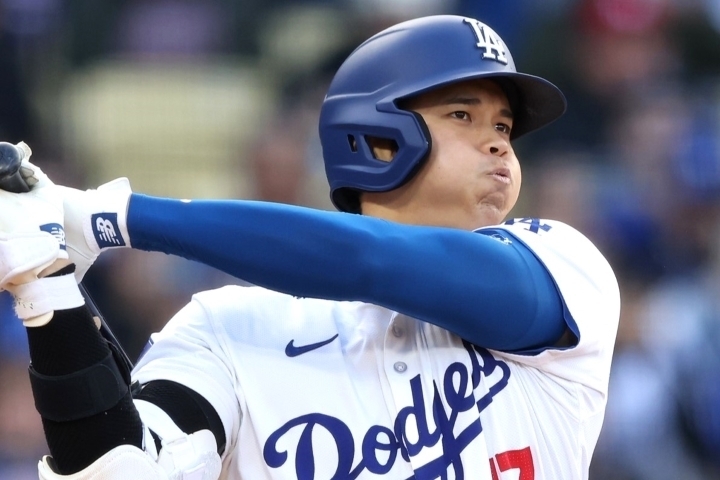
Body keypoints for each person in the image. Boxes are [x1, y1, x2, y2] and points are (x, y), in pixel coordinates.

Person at [0, 15, 620, 479]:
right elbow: (118, 469)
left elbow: (371, 260)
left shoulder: (564, 263)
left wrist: (113, 217)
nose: (499, 145)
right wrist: (44, 285)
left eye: (505, 127)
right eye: (464, 115)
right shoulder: (230, 328)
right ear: (378, 138)